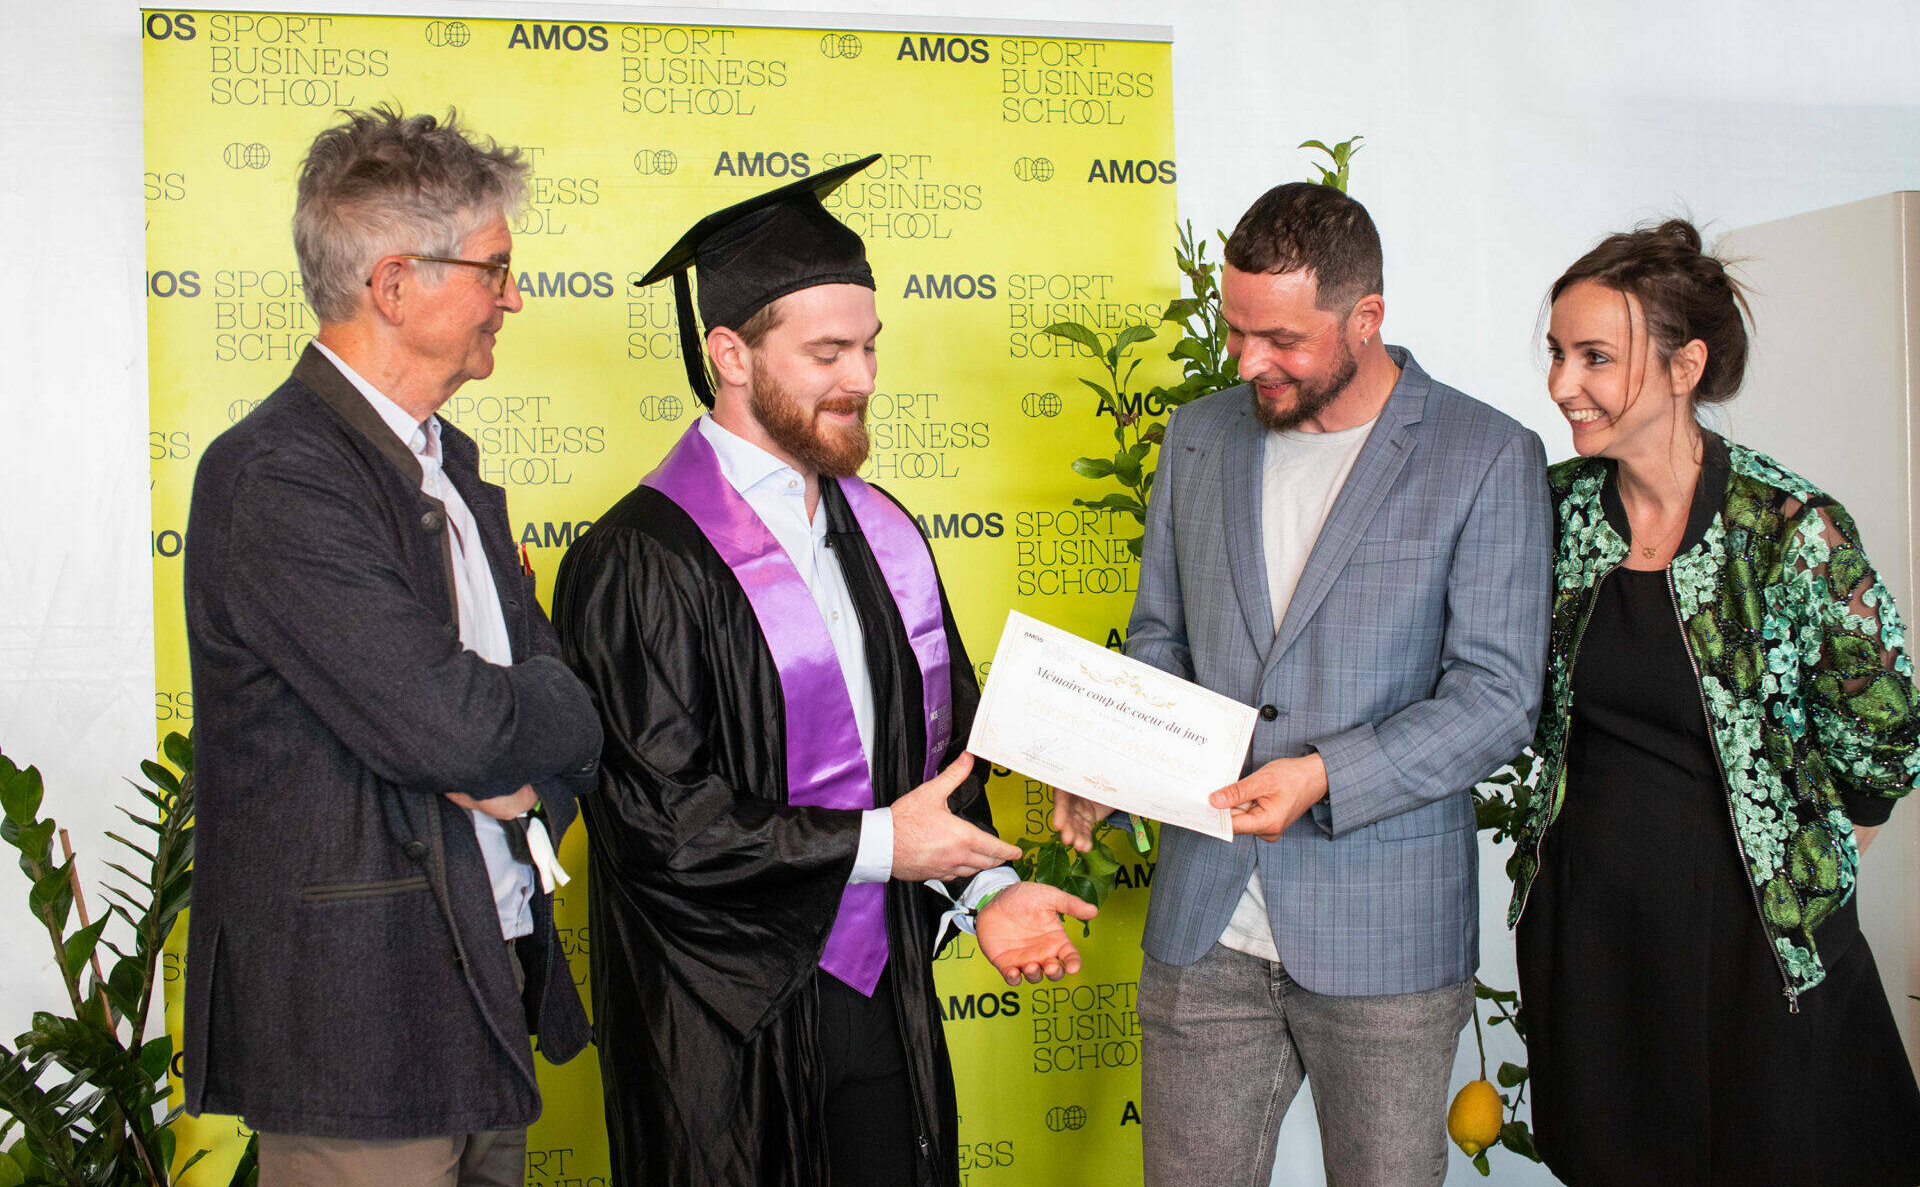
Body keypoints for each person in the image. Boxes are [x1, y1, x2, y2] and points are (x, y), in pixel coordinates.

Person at [551, 155, 1097, 1187]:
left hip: (880, 999)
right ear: (732, 353)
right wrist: (890, 843)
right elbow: (657, 821)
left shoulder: (885, 532)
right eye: (827, 351)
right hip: (722, 1032)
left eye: (871, 346)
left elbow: (942, 759)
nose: (863, 378)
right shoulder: (641, 559)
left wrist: (987, 889)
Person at [1054, 181, 1553, 1186]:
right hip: (1206, 923)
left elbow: (1498, 698)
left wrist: (1324, 774)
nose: (1248, 361)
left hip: (1388, 936)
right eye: (1235, 331)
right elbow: (1162, 637)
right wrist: (1124, 759)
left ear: (1365, 318)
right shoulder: (1199, 436)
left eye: (1278, 337)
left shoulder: (1486, 454)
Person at [180, 106, 603, 1187]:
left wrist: (525, 755)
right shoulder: (279, 474)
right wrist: (511, 732)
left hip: (484, 986)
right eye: (495, 269)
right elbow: (456, 722)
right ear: (396, 283)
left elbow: (561, 710)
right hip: (362, 1029)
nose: (515, 296)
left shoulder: (448, 466)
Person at [1509, 219, 1920, 1185]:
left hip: (1750, 952)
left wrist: (1797, 873)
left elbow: (1885, 740)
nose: (1564, 384)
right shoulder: (1552, 511)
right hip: (1593, 937)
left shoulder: (1789, 530)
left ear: (1686, 365)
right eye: (1559, 354)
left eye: (1597, 358)